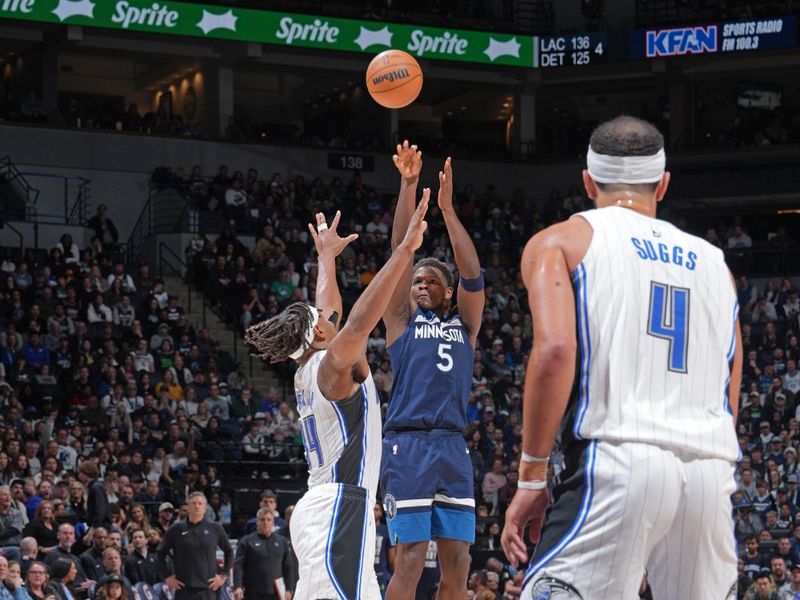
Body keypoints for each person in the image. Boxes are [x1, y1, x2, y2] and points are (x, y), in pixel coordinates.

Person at [500, 116, 742, 598]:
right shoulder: (716, 264)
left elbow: (554, 350)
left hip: (617, 462)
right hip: (710, 473)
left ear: (588, 181)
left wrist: (531, 475)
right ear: (663, 183)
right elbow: (729, 378)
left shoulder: (561, 241)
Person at [244, 199, 429, 600]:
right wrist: (403, 253)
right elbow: (360, 321)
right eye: (327, 322)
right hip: (338, 509)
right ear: (322, 336)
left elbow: (328, 308)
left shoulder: (309, 367)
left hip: (335, 508)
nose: (332, 318)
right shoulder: (330, 368)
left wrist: (326, 258)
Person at [380, 143, 484, 600]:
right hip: (408, 446)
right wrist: (408, 185)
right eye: (417, 280)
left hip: (453, 448)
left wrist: (447, 209)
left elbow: (473, 272)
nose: (421, 285)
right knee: (408, 560)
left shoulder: (466, 326)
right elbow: (400, 250)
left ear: (447, 291)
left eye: (430, 281)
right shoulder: (401, 322)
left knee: (458, 563)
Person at [157, 491, 232, 600]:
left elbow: (229, 552)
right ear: (188, 507)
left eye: (200, 503)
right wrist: (167, 576)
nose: (197, 506)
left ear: (205, 508)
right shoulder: (176, 529)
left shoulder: (216, 528)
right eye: (193, 503)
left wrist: (223, 575)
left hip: (209, 589)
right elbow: (160, 553)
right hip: (184, 589)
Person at [233, 509, 295, 600]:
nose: (265, 522)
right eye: (262, 519)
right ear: (257, 521)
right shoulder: (247, 541)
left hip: (276, 592)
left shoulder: (282, 542)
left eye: (268, 520)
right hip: (253, 592)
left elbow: (288, 567)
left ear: (273, 521)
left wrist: (289, 589)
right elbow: (238, 565)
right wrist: (237, 586)